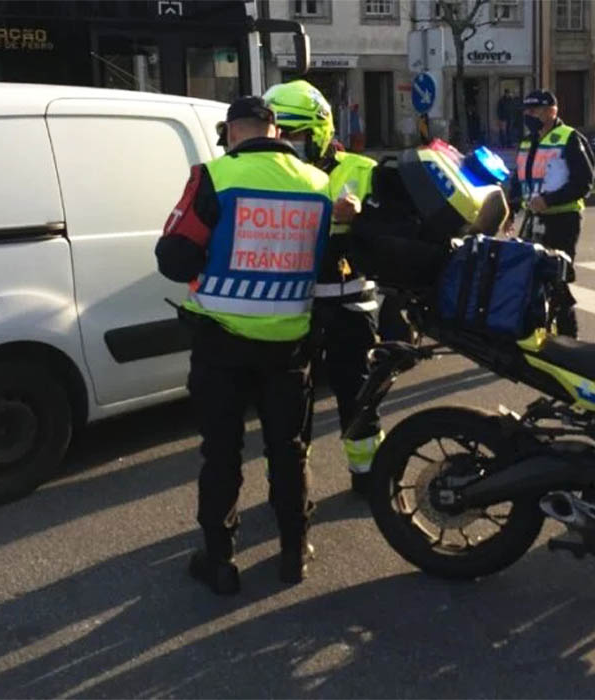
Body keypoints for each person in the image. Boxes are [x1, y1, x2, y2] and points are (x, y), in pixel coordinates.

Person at [155, 95, 332, 595]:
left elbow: (175, 260)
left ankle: (220, 561)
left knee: (222, 455)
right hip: (289, 343)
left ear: (232, 133)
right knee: (289, 450)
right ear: (274, 132)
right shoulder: (317, 184)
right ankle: (293, 552)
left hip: (222, 345)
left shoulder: (213, 177)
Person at [266, 79, 385, 496]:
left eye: (293, 134)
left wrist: (359, 221)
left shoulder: (362, 170)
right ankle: (292, 486)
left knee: (357, 396)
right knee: (290, 404)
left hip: (350, 307)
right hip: (293, 309)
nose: (286, 142)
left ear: (318, 130)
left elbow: (389, 240)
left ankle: (368, 477)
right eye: (279, 134)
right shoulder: (273, 174)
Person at [504, 90, 595, 338]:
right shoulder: (528, 141)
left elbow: (584, 182)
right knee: (528, 274)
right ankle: (532, 331)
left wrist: (550, 200)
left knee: (556, 277)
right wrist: (510, 210)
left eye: (533, 111)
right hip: (535, 218)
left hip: (563, 219)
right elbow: (520, 180)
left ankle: (567, 336)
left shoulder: (569, 138)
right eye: (526, 111)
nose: (528, 115)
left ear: (551, 112)